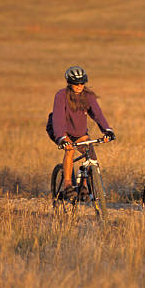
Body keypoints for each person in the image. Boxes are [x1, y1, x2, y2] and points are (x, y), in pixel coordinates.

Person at [46, 66, 115, 198]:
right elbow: (58, 118)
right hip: (60, 130)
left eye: (82, 82)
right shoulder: (61, 95)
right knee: (70, 150)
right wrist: (61, 138)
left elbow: (97, 114)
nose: (79, 86)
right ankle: (67, 185)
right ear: (69, 83)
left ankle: (84, 185)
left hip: (79, 131)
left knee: (91, 155)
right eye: (76, 83)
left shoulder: (88, 96)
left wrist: (107, 130)